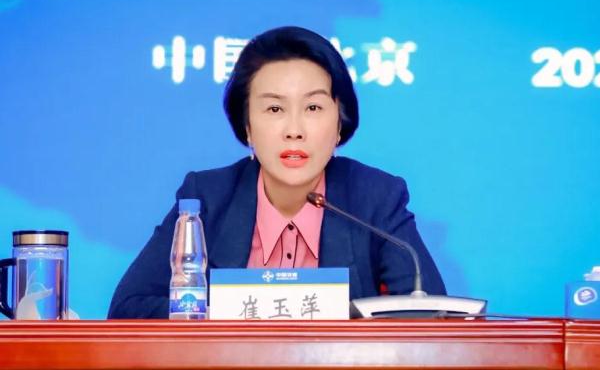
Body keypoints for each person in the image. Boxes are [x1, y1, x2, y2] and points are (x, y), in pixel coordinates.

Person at [108, 26, 445, 319]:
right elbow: (128, 307)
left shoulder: (374, 197)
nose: (294, 130)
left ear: (339, 124)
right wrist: (229, 312)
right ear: (247, 127)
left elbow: (430, 315)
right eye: (274, 108)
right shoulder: (207, 198)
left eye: (313, 107)